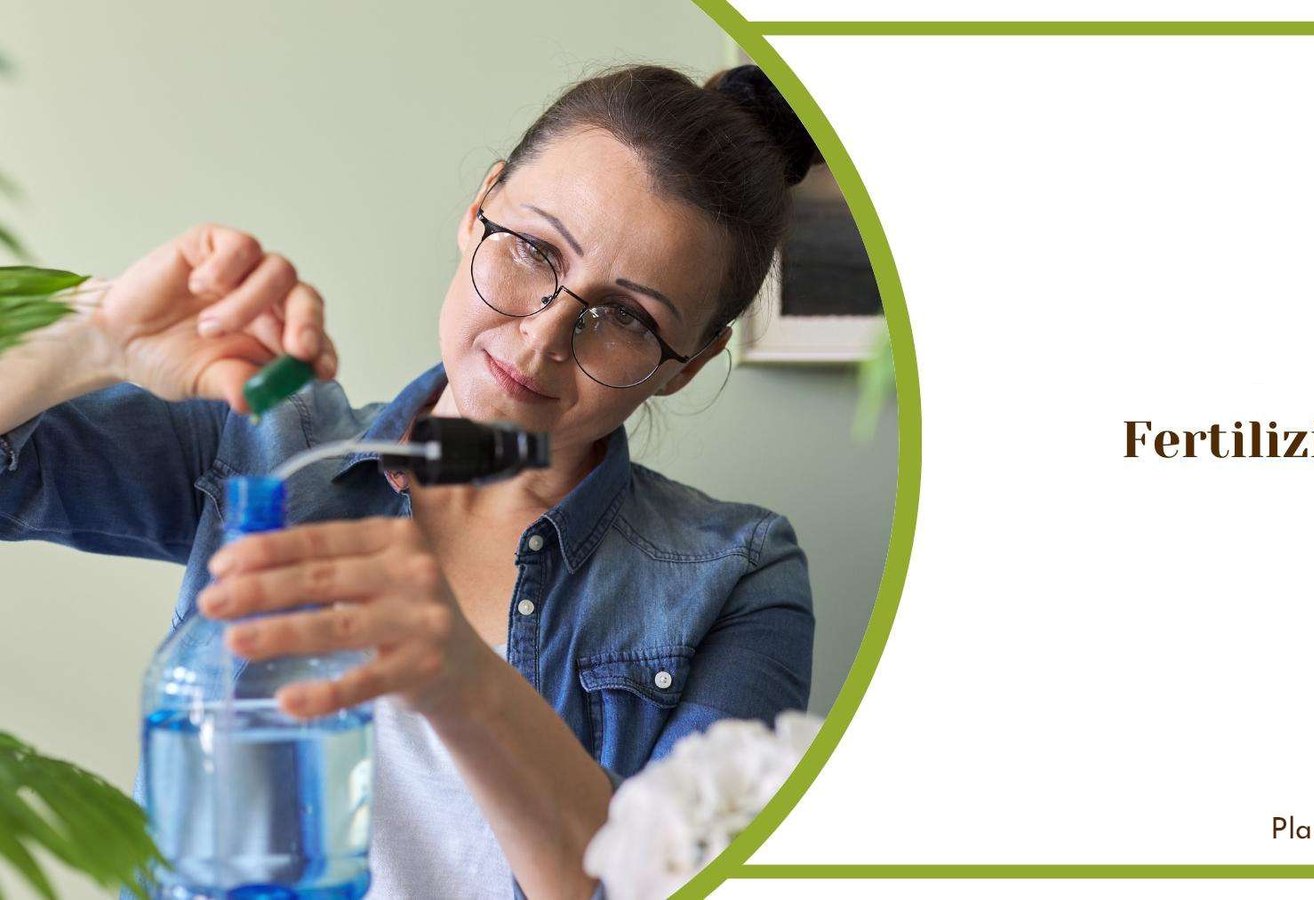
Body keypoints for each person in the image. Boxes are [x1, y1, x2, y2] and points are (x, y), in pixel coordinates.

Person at [0, 62, 820, 899]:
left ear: (688, 365)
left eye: (627, 319)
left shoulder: (736, 579)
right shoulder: (266, 445)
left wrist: (465, 682)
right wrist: (91, 337)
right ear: (480, 206)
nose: (542, 339)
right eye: (535, 251)